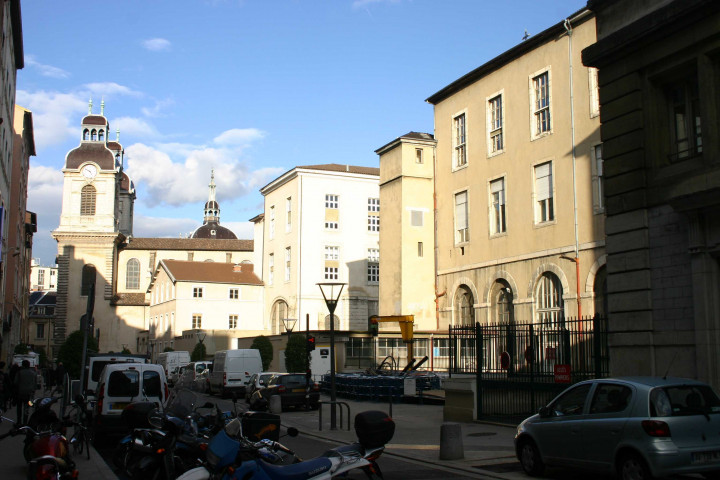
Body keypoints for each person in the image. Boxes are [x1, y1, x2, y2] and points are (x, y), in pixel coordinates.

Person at [14, 360, 36, 424]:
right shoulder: (33, 373)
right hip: (29, 394)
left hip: (20, 393)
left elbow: (15, 382)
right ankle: (25, 422)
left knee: (19, 408)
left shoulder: (19, 372)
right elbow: (35, 384)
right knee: (26, 408)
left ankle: (19, 422)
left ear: (23, 365)